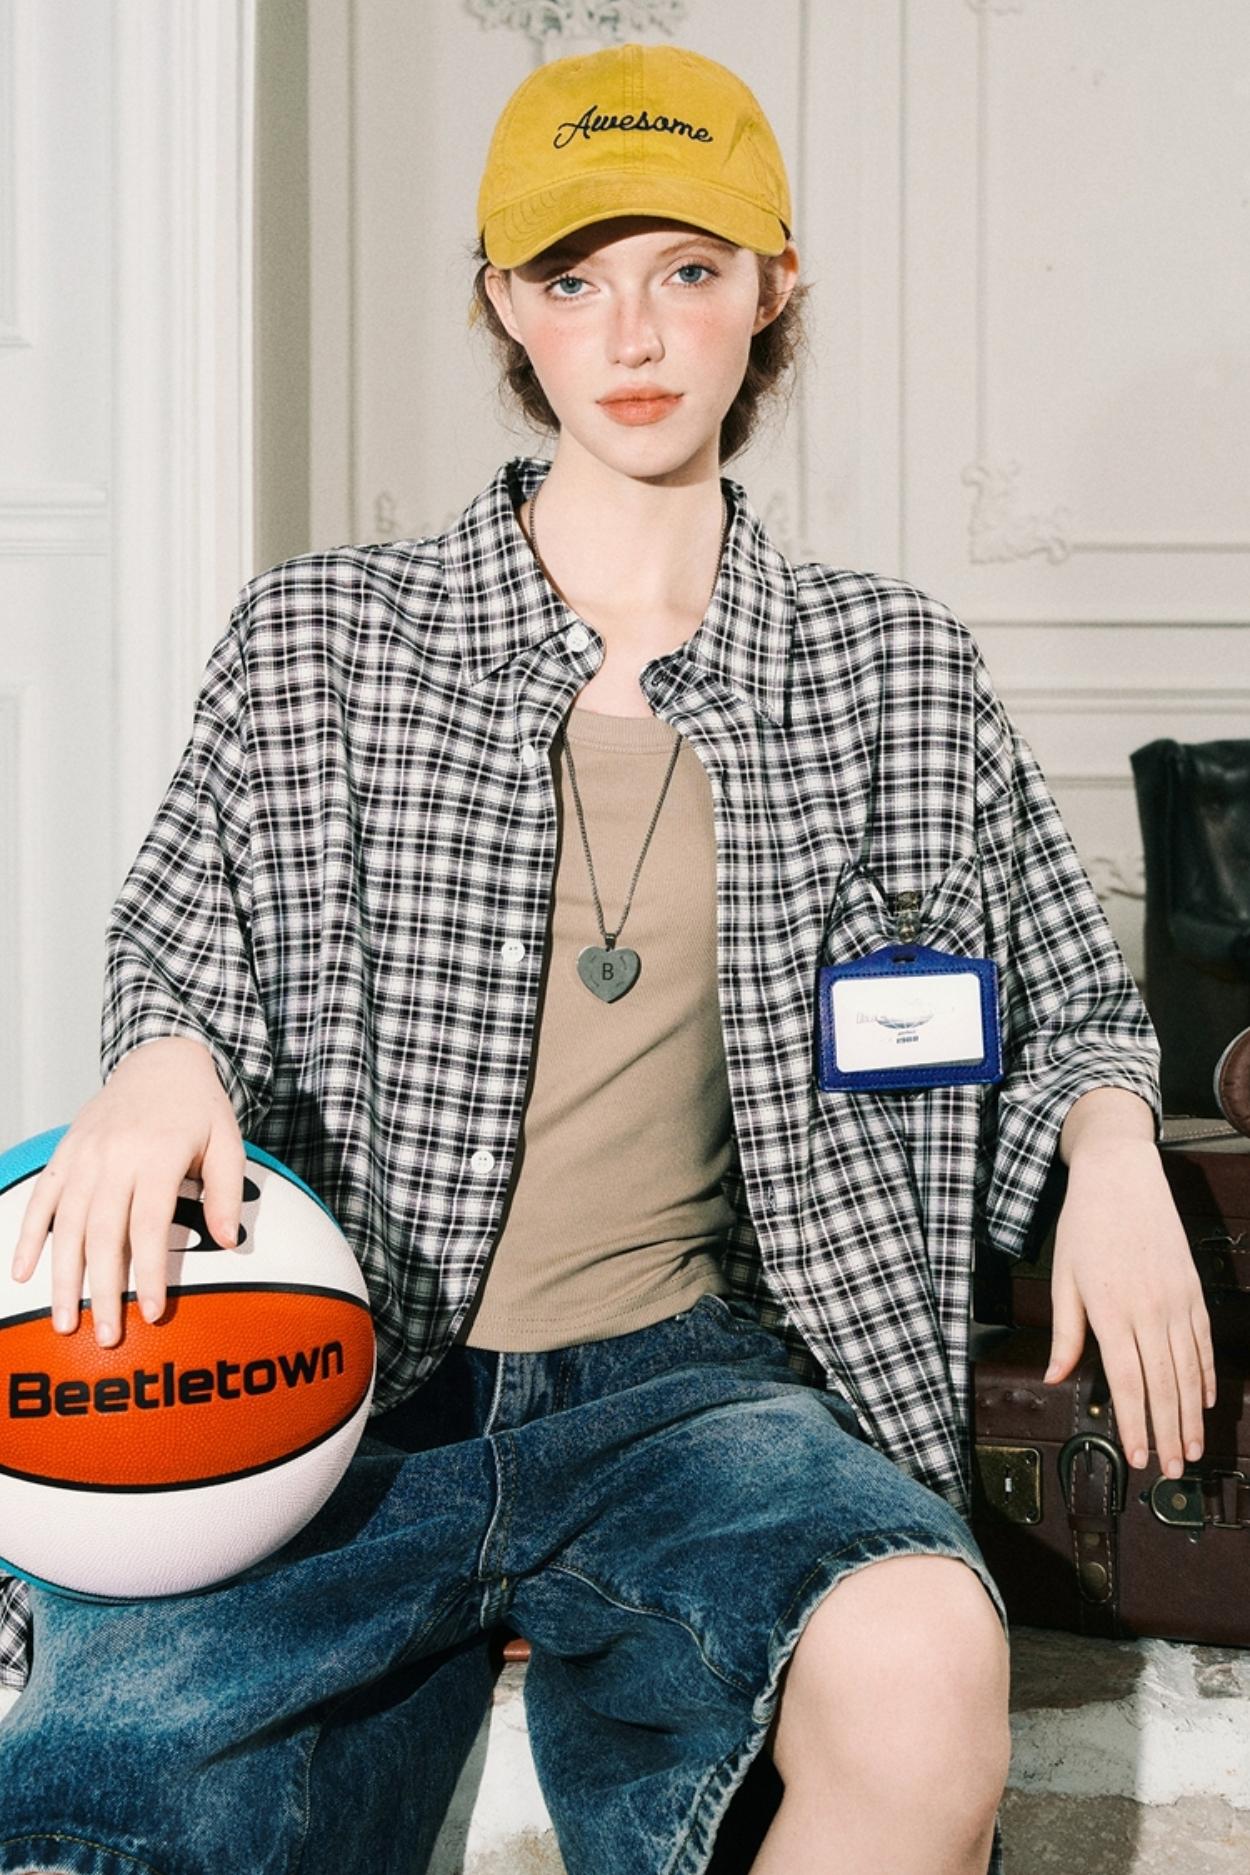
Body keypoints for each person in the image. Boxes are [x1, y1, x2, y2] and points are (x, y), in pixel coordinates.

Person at [0, 40, 1212, 1875]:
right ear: (504, 301)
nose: (631, 335)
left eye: (686, 271)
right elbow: (181, 944)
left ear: (771, 286)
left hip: (694, 1394)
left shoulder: (891, 669)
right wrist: (165, 1050)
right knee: (122, 1801)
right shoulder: (322, 637)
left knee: (920, 1664)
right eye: (572, 281)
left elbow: (1066, 999)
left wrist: (1109, 1142)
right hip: (337, 1393)